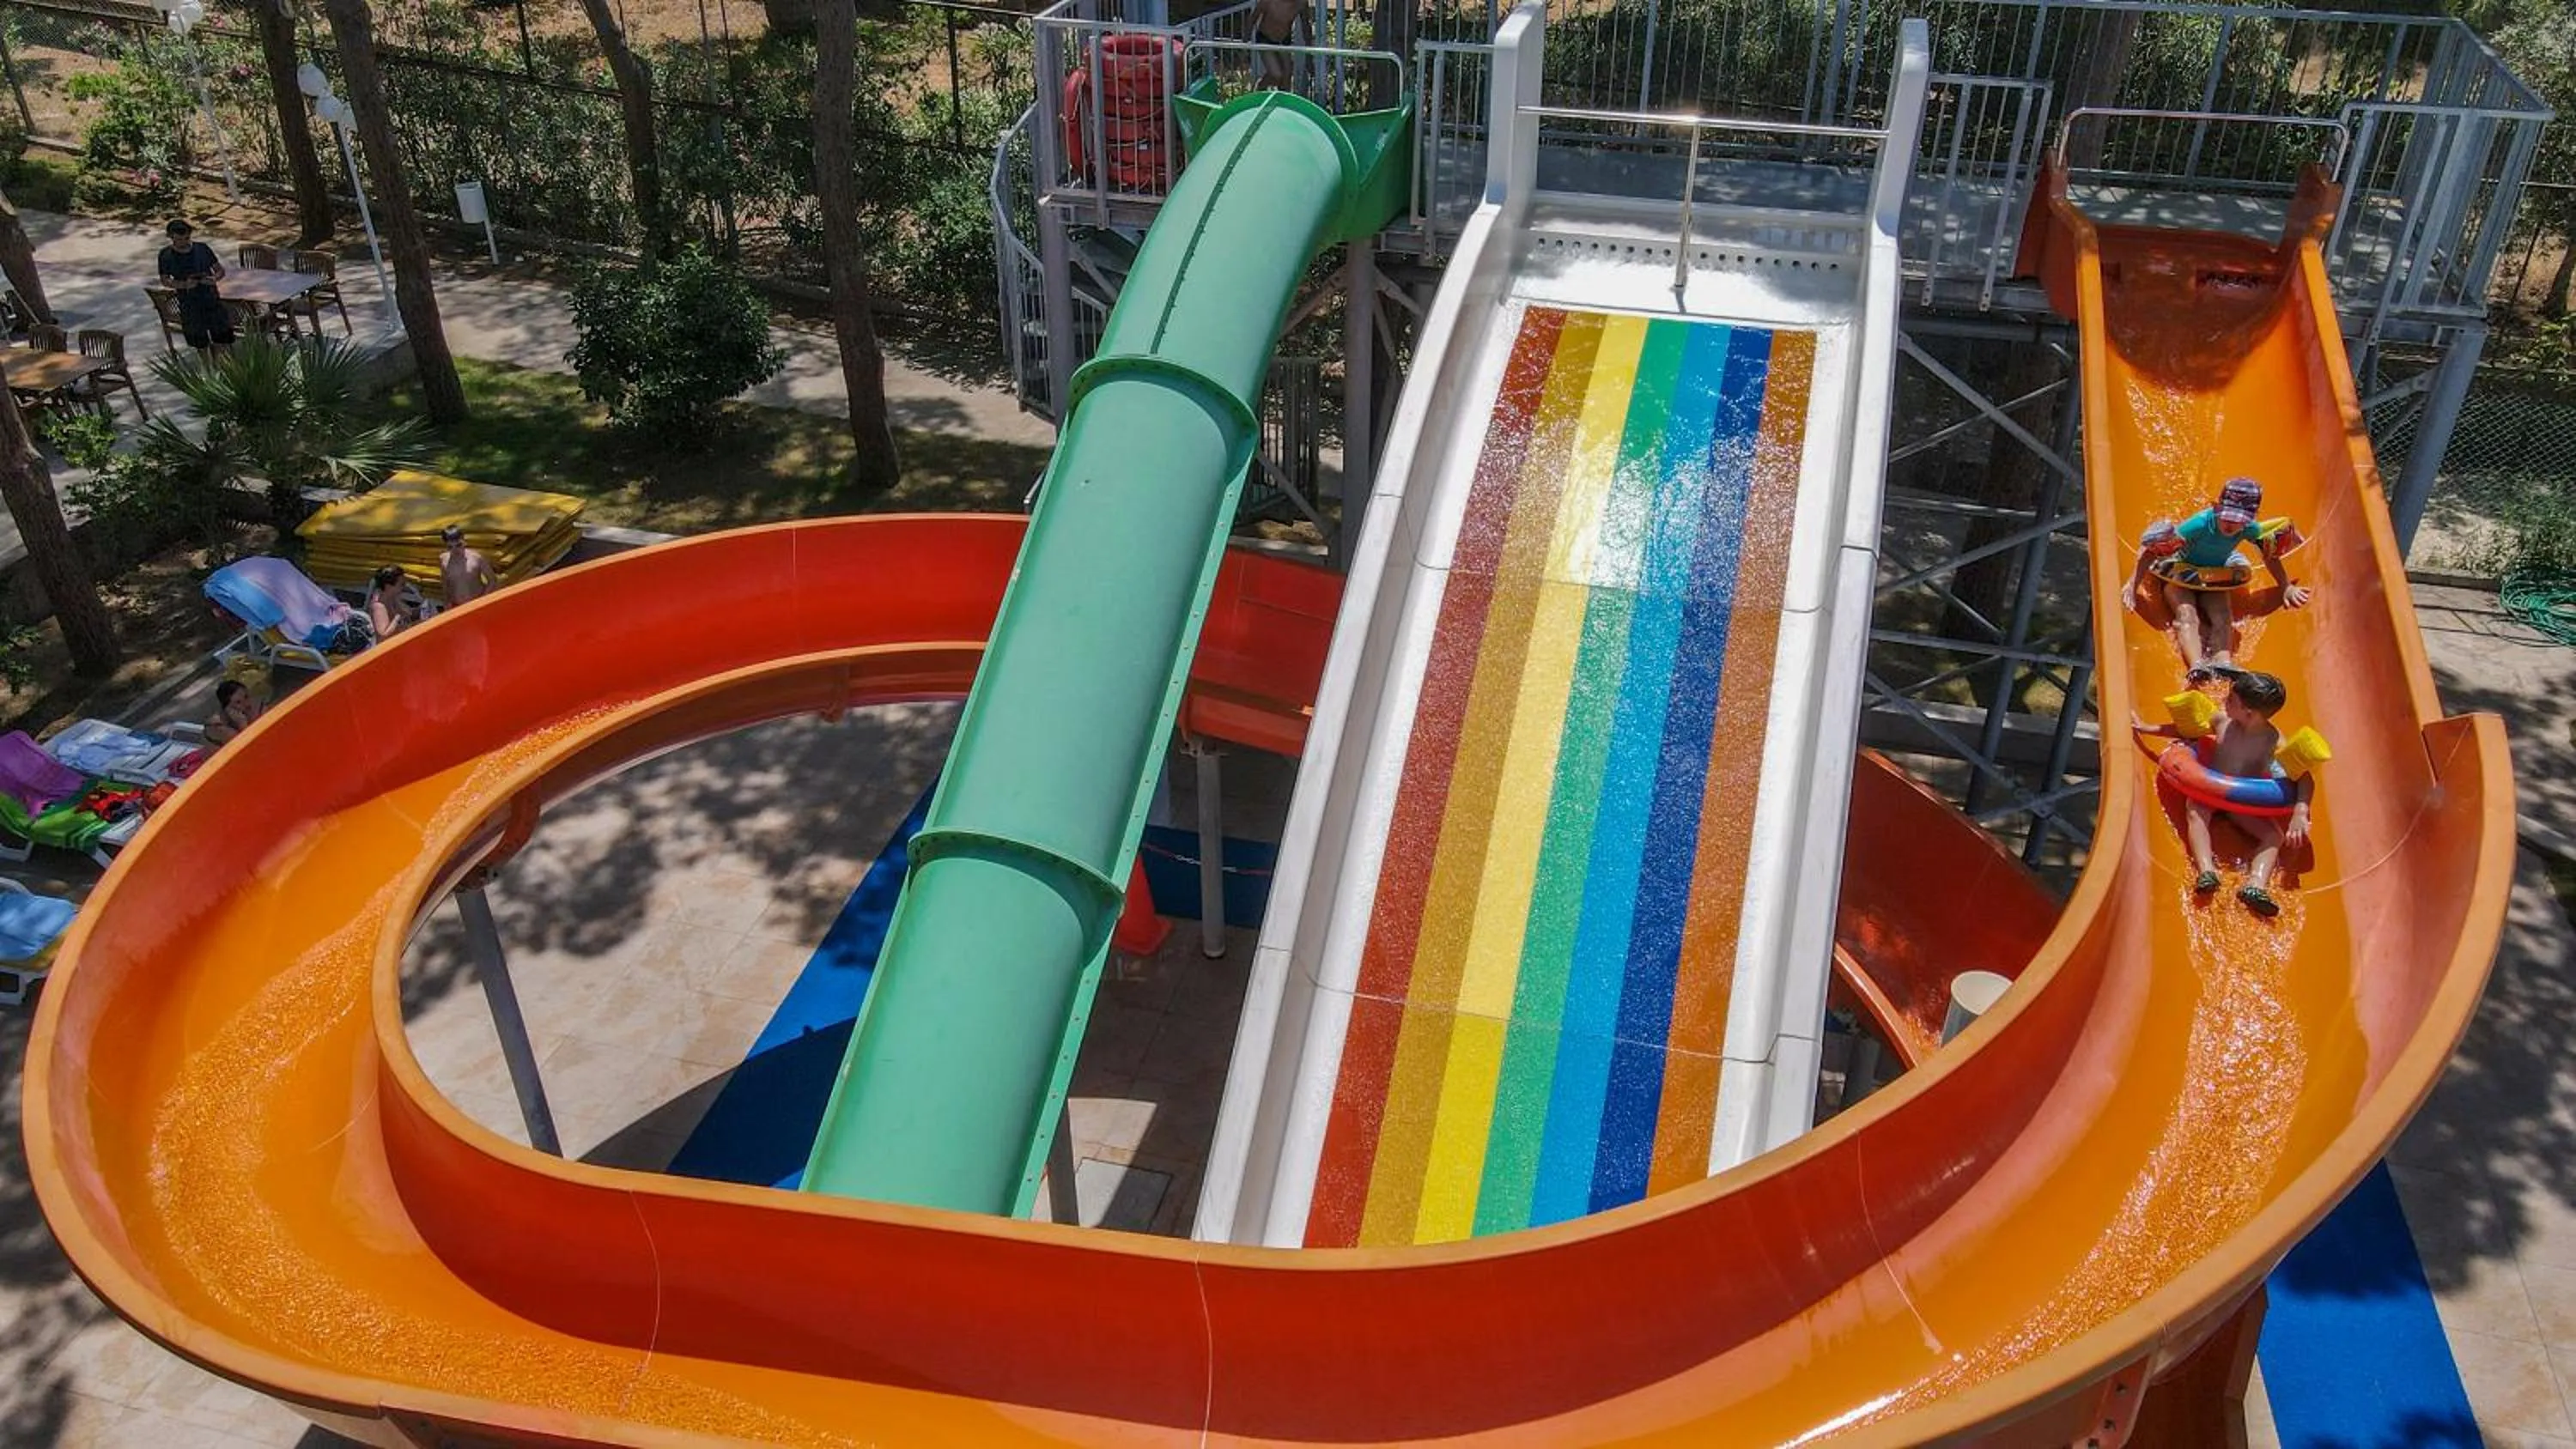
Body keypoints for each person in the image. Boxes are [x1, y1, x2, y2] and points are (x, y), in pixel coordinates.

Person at [2133, 669, 2314, 919]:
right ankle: (2207, 871)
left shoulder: (2273, 741)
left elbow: (2303, 777)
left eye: (2231, 701)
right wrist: (2148, 728)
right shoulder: (2222, 722)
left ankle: (2256, 885)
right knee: (2195, 811)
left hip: (2243, 803)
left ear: (2249, 713)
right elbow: (2186, 731)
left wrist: (2301, 811)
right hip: (2208, 793)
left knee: (2274, 835)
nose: (2223, 702)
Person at [2123, 476, 2311, 682]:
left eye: (2238, 520)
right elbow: (2152, 553)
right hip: (2178, 573)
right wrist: (2132, 586)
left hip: (2214, 574)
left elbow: (2270, 556)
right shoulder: (2200, 525)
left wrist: (2285, 587)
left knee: (2223, 615)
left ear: (2250, 518)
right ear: (2216, 507)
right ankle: (2196, 665)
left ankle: (2223, 662)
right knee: (2186, 613)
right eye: (2227, 517)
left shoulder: (2249, 529)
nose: (2231, 525)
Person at [155, 219, 235, 352]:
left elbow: (220, 270)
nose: (184, 242)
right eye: (179, 240)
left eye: (187, 238)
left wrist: (213, 279)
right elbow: (165, 280)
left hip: (211, 300)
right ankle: (207, 368)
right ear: (171, 237)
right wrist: (184, 285)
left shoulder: (202, 249)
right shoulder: (166, 256)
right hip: (189, 304)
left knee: (223, 338)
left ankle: (225, 364)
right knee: (200, 343)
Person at [1253, 0, 1309, 89]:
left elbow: (1306, 25)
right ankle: (1260, 87)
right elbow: (1253, 17)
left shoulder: (1301, 3)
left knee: (1287, 75)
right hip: (1265, 39)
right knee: (1276, 74)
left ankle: (1282, 100)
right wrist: (1245, 42)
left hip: (1283, 40)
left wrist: (1309, 50)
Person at [440, 524, 499, 606]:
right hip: (457, 605)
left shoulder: (476, 558)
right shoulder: (443, 559)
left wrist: (482, 600)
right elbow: (445, 583)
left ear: (464, 541)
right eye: (450, 547)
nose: (455, 550)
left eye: (458, 545)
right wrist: (447, 603)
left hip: (477, 604)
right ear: (445, 546)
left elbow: (492, 580)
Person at [367, 564, 424, 641]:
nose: (403, 588)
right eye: (401, 585)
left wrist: (419, 611)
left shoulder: (393, 598)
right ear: (388, 586)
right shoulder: (378, 607)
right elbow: (383, 635)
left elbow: (407, 614)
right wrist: (398, 617)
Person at [201, 679, 264, 747]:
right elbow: (249, 746)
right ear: (227, 708)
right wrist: (242, 724)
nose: (247, 704)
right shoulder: (219, 727)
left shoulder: (255, 707)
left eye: (246, 697)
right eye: (238, 702)